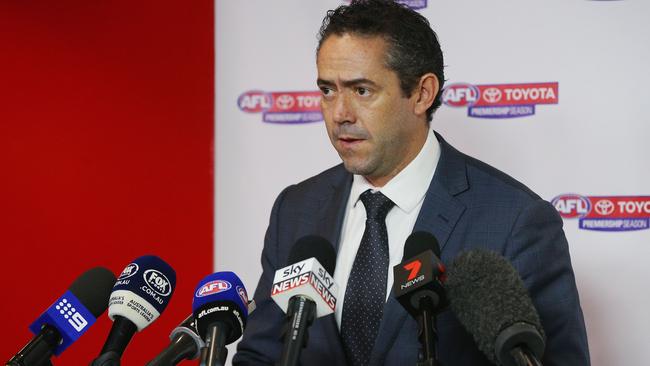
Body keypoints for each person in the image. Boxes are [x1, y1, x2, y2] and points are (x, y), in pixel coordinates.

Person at [233, 1, 590, 365]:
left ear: (422, 94)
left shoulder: (516, 223)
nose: (339, 114)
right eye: (328, 90)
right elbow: (260, 355)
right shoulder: (296, 210)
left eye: (361, 91)